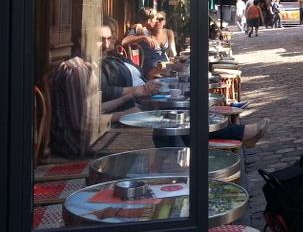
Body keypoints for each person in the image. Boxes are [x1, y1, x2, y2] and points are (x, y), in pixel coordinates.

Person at [101, 21, 270, 146]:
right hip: (139, 104)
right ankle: (238, 133)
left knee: (187, 107)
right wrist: (135, 91)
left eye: (109, 38)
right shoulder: (101, 65)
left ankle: (233, 132)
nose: (106, 43)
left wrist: (163, 73)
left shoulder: (116, 58)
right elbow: (106, 92)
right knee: (183, 113)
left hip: (148, 93)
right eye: (101, 39)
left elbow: (146, 73)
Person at [121, 8, 165, 79]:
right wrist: (144, 37)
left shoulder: (146, 30)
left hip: (157, 63)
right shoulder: (138, 27)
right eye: (155, 19)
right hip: (149, 67)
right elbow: (124, 41)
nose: (156, 21)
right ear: (149, 20)